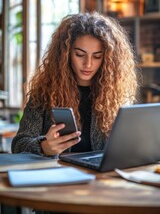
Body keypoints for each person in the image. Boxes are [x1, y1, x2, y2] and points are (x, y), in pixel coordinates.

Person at [11, 12, 139, 157]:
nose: (88, 64)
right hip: (58, 175)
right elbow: (18, 144)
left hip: (100, 175)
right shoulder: (44, 93)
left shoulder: (115, 95)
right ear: (65, 54)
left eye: (97, 56)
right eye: (80, 54)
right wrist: (43, 147)